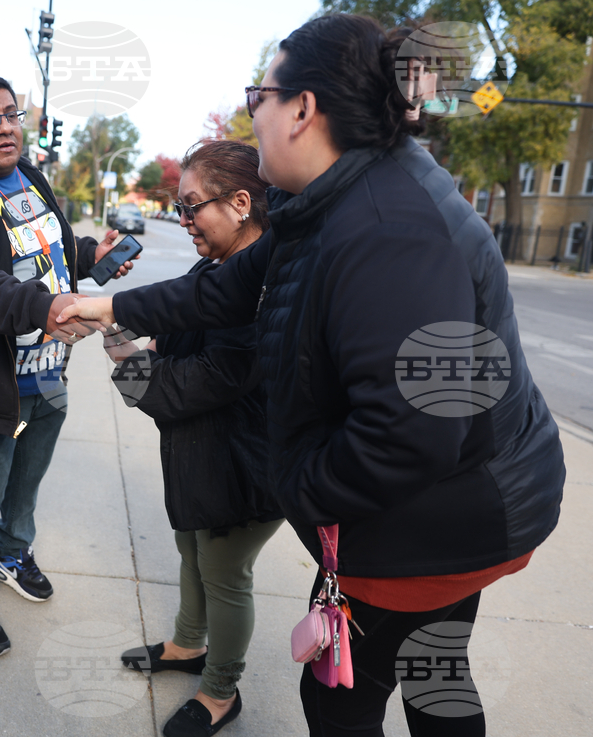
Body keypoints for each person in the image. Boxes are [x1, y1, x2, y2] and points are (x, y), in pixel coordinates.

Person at [60, 14, 565, 736]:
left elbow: (410, 437)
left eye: (258, 96)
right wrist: (105, 304)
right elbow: (225, 290)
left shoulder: (388, 230)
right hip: (453, 503)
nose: (252, 115)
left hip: (438, 519)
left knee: (339, 696)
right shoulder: (328, 199)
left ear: (302, 109)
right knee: (434, 668)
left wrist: (295, 486)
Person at [0, 72, 134, 657]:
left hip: (49, 372)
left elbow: (43, 246)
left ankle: (10, 554)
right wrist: (43, 307)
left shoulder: (29, 177)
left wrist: (90, 255)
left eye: (10, 114)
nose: (4, 127)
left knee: (26, 482)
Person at [108, 140, 284, 737]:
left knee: (226, 573)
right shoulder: (217, 269)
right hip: (206, 454)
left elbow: (197, 383)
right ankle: (188, 645)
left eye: (190, 207)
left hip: (248, 465)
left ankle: (220, 692)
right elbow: (175, 335)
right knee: (192, 547)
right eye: (179, 208)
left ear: (241, 203)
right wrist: (131, 335)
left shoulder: (263, 289)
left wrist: (123, 355)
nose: (182, 220)